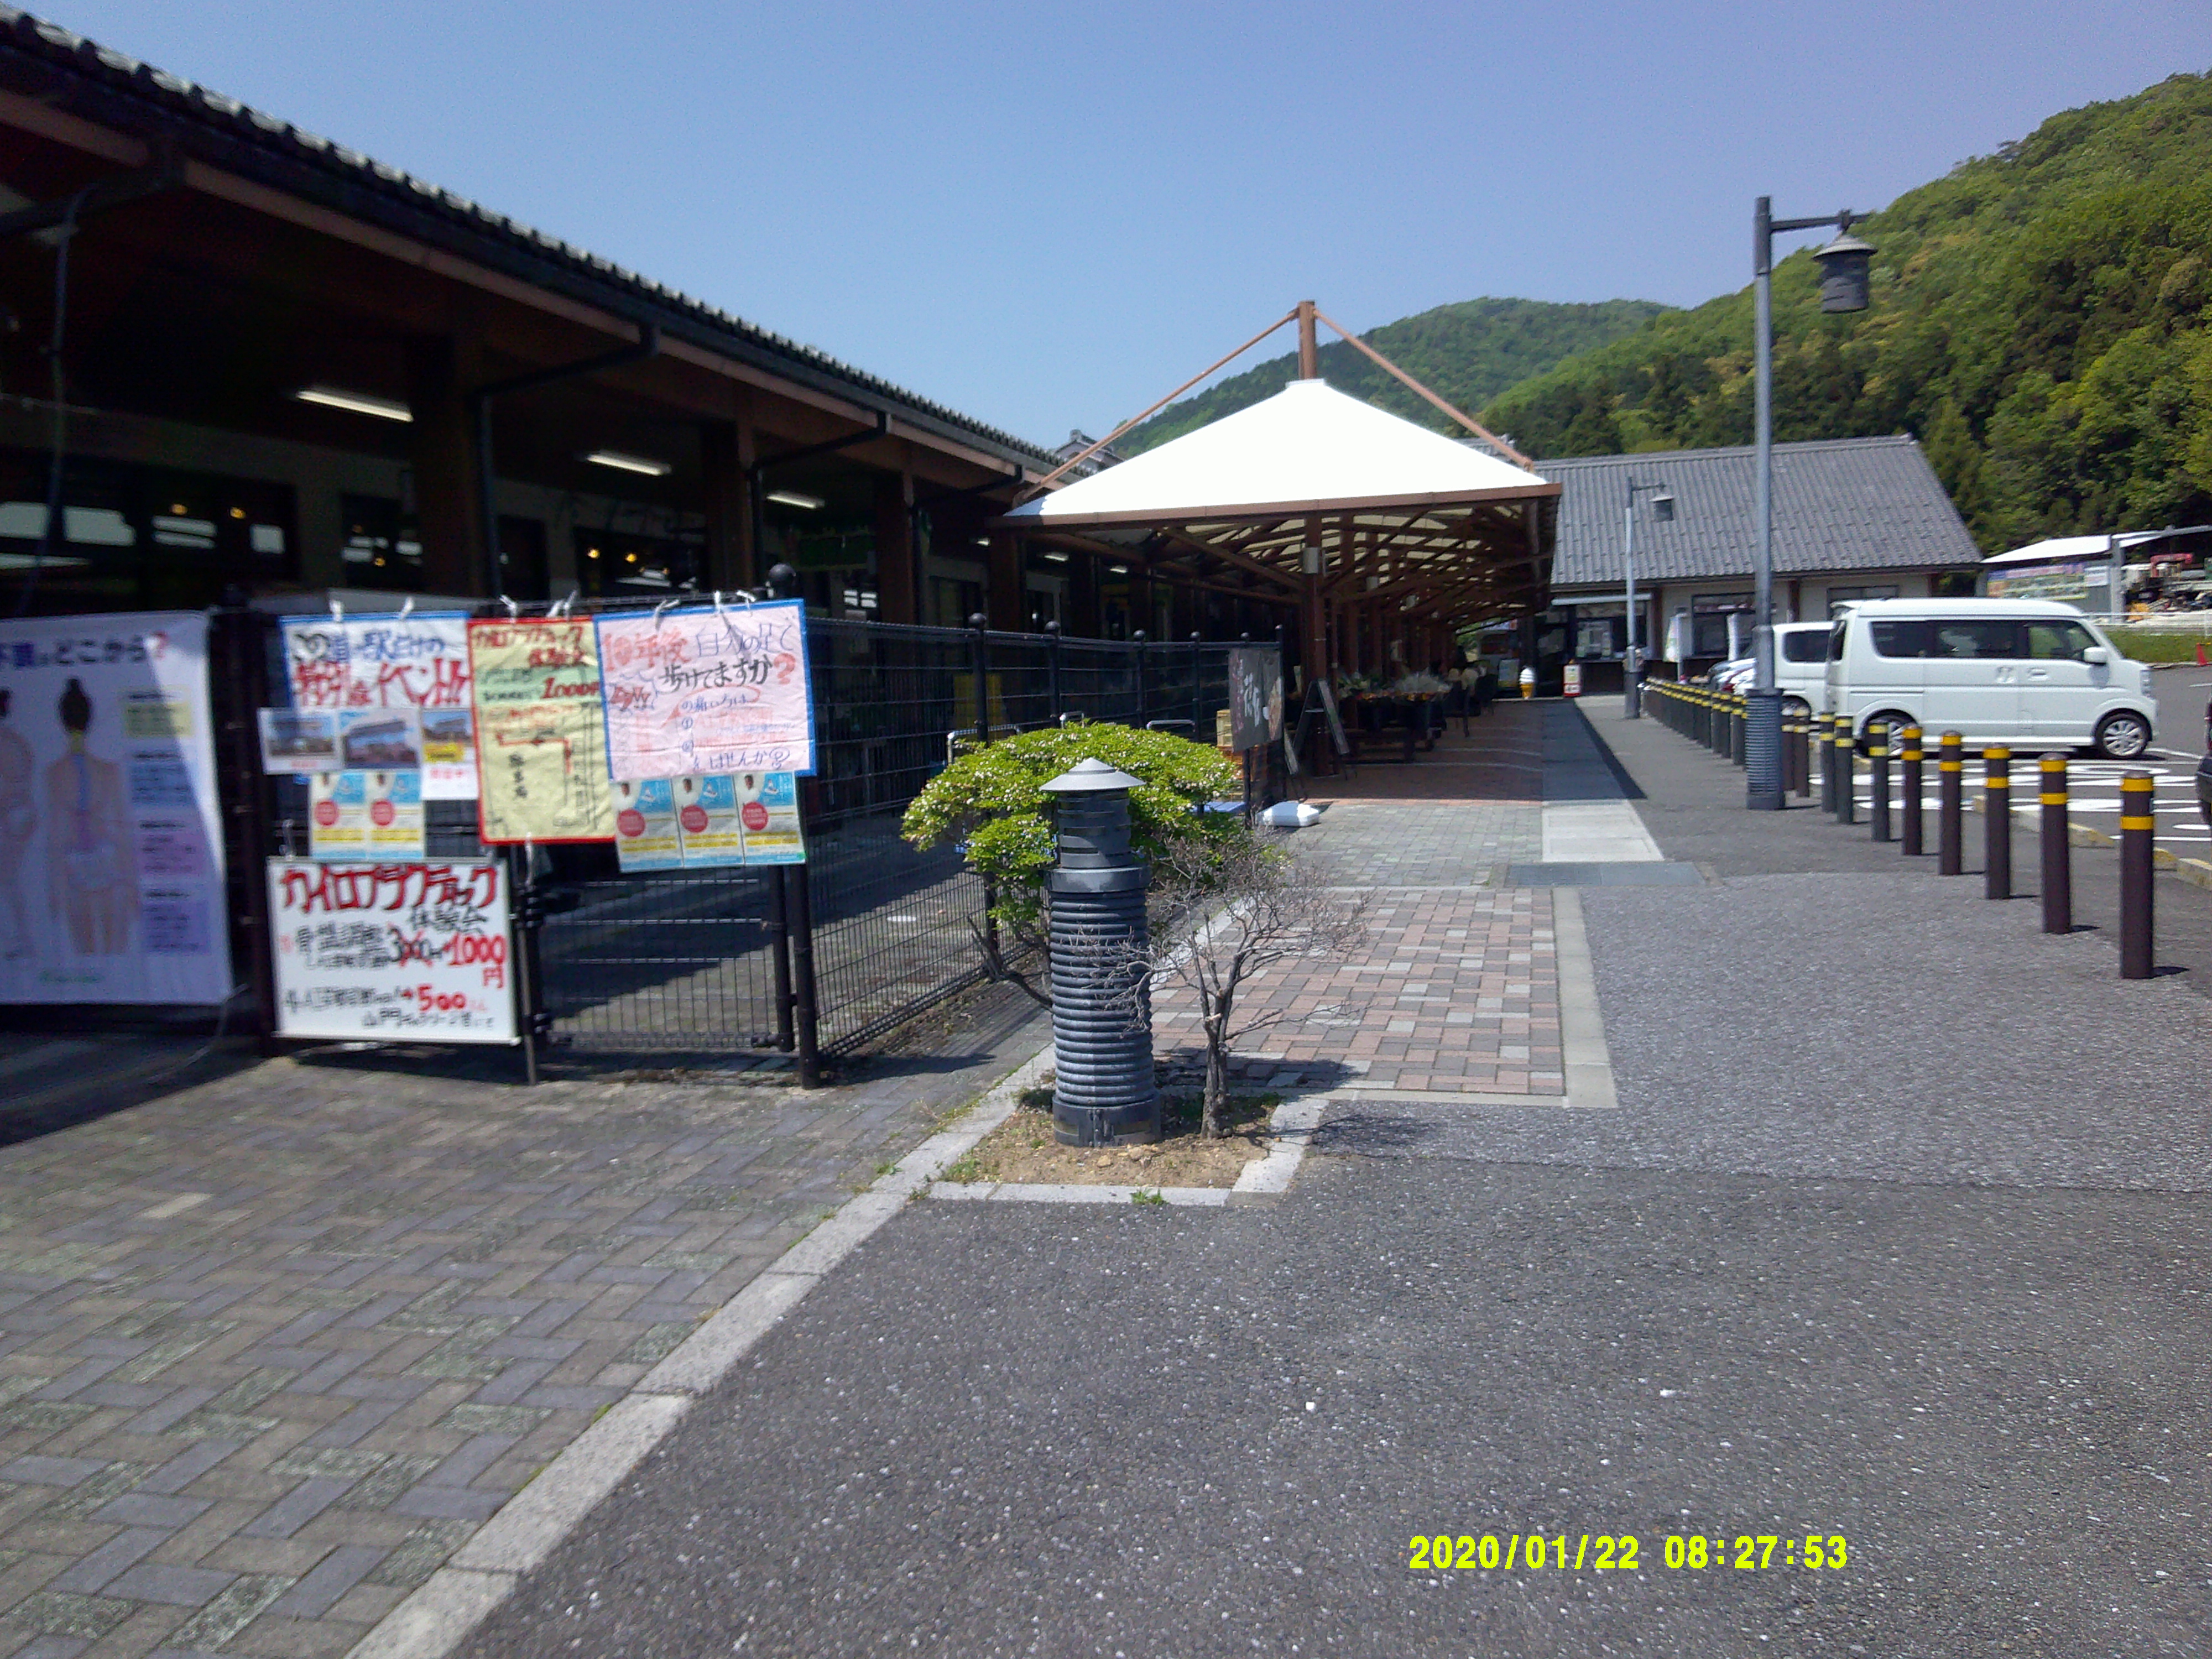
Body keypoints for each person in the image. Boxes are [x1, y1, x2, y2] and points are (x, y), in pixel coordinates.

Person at [44, 677, 136, 953]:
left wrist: (54, 890)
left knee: (87, 949)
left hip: (78, 863)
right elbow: (122, 829)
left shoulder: (54, 774)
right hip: (105, 860)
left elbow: (54, 837)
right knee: (110, 949)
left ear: (62, 721)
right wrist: (133, 884)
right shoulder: (108, 772)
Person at [0, 689, 33, 958]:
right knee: (8, 882)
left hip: (11, 820)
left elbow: (18, 787)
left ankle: (20, 941)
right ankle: (18, 940)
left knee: (8, 882)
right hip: (15, 818)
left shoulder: (11, 743)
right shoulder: (14, 742)